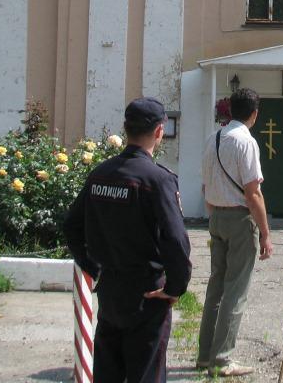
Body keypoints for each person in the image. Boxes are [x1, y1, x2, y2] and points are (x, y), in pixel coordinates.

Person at [64, 97, 192, 383]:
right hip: (147, 294)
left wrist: (93, 267)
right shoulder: (158, 179)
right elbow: (176, 240)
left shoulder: (101, 173)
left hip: (110, 289)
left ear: (125, 128)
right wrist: (175, 287)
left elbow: (72, 226)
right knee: (145, 372)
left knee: (109, 371)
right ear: (160, 131)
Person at [197, 87, 274, 377]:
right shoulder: (246, 142)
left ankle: (205, 354)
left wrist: (214, 214)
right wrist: (265, 232)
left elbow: (206, 185)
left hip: (216, 216)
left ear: (230, 110)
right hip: (240, 219)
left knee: (216, 287)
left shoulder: (212, 139)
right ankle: (223, 358)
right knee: (236, 290)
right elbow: (253, 192)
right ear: (254, 114)